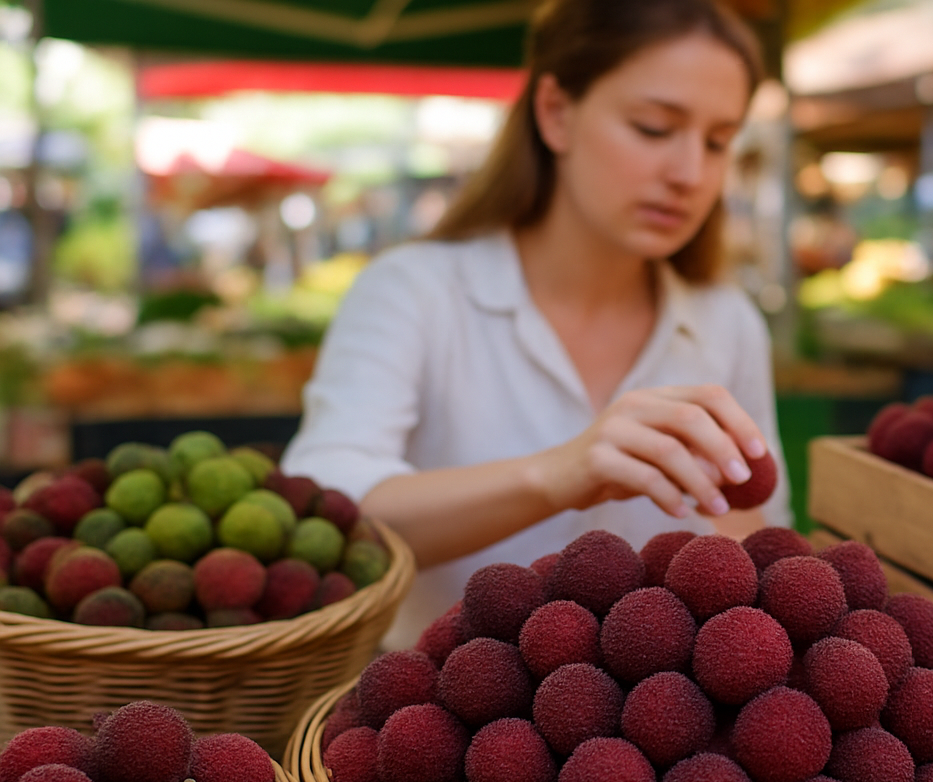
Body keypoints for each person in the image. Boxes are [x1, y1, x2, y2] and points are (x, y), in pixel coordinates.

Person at [281, 0, 791, 648]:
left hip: (658, 735)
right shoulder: (413, 290)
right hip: (439, 718)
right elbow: (325, 508)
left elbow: (755, 529)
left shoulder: (728, 322)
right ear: (555, 112)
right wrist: (554, 475)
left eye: (719, 142)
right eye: (654, 128)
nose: (689, 173)